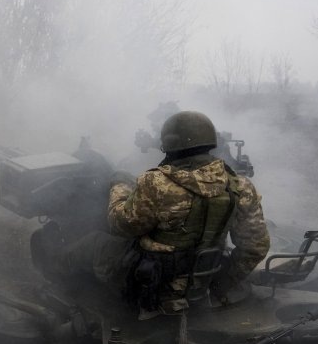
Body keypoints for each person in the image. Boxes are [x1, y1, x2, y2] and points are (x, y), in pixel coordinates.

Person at [61, 111, 270, 318]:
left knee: (93, 243)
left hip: (151, 284)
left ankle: (55, 281)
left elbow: (121, 225)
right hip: (204, 278)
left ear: (168, 146)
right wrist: (220, 283)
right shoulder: (240, 185)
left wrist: (119, 186)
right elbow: (255, 247)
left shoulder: (156, 183)